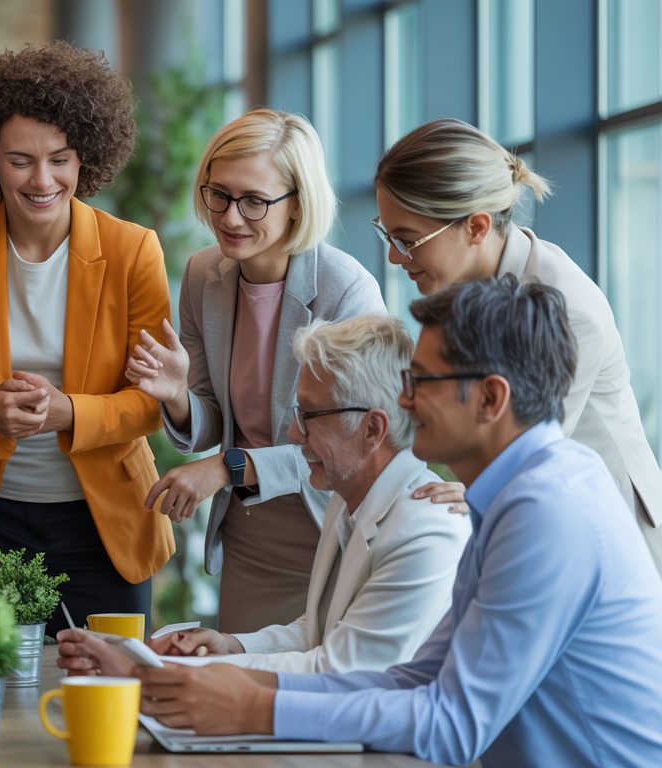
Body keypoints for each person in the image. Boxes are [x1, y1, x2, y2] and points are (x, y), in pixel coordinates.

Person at [77, 277, 662, 767]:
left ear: (490, 399)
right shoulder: (525, 490)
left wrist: (255, 704)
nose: (405, 403)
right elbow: (412, 679)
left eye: (423, 384)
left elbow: (452, 726)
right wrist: (206, 681)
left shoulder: (544, 510)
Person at [0, 41, 174, 638]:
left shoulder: (132, 250)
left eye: (60, 159)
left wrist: (68, 412)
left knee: (108, 695)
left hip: (104, 526)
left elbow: (153, 400)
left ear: (86, 156)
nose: (43, 180)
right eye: (20, 161)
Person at [126, 109, 393, 633]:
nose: (230, 217)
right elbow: (210, 421)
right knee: (239, 691)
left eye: (254, 201)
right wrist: (178, 395)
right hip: (249, 532)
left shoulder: (346, 290)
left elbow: (358, 440)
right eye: (219, 194)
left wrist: (226, 467)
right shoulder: (205, 275)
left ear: (298, 204)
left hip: (329, 523)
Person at [98, 314, 468, 674]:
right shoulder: (350, 493)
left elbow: (343, 670)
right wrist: (233, 646)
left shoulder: (426, 532)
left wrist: (204, 669)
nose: (293, 433)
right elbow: (319, 629)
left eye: (310, 415)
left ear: (372, 429)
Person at [373, 117, 662, 574]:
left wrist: (471, 487)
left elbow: (528, 453)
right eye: (387, 235)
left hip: (612, 534)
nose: (394, 256)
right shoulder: (468, 291)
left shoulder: (562, 305)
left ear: (476, 226)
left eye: (407, 240)